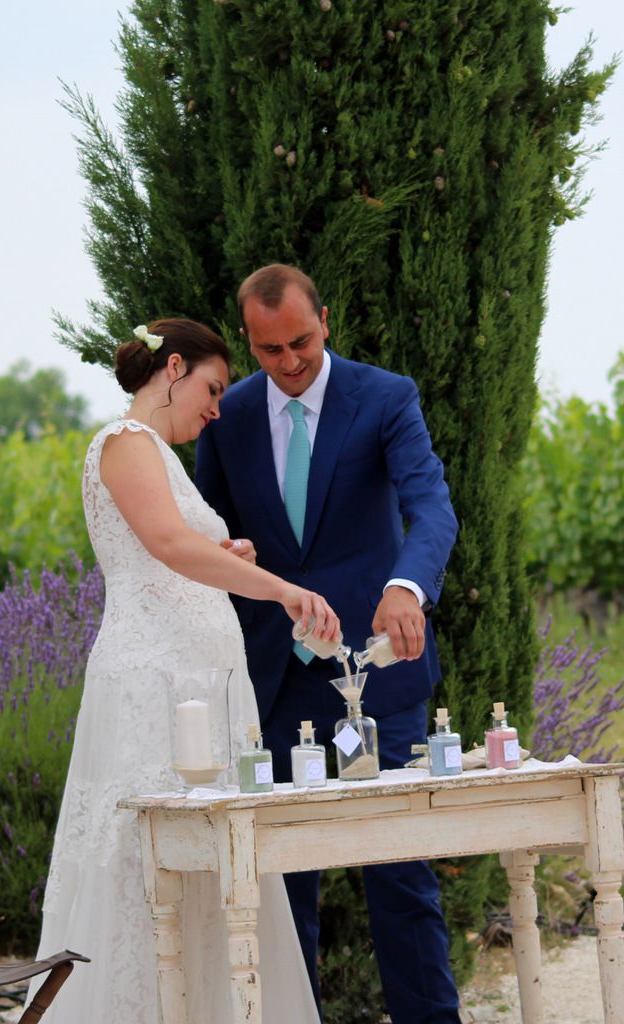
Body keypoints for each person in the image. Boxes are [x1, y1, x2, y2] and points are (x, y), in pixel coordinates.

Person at [30, 317, 340, 1023]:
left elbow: (177, 547)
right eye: (212, 386)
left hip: (198, 685)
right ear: (173, 368)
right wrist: (282, 589)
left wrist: (227, 551)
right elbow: (166, 544)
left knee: (213, 862)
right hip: (155, 687)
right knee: (153, 864)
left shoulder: (160, 457)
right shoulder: (126, 441)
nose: (216, 406)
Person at [195, 265, 462, 1024]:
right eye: (267, 349)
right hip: (272, 683)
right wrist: (234, 558)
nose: (287, 363)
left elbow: (431, 506)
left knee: (402, 880)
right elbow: (212, 530)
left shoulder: (385, 398)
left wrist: (406, 588)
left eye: (301, 343)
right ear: (249, 340)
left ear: (326, 321)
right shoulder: (231, 414)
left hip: (380, 674)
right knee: (281, 899)